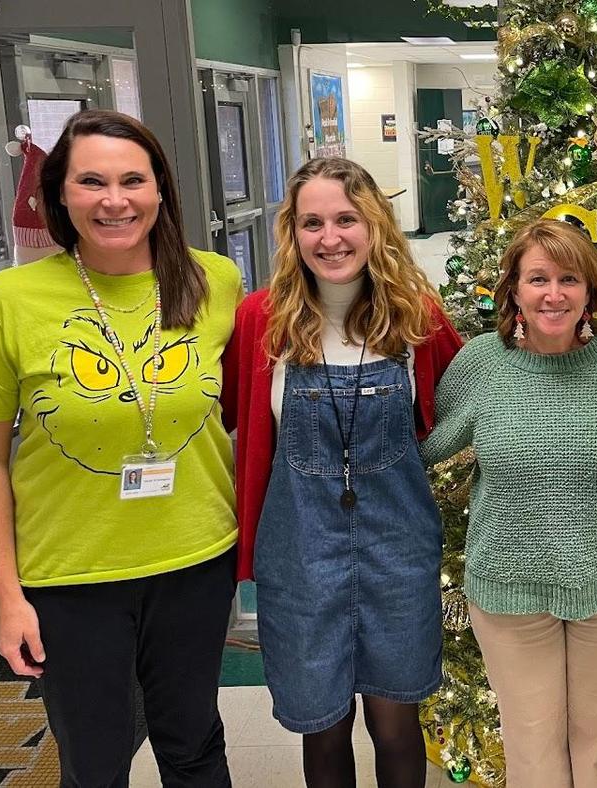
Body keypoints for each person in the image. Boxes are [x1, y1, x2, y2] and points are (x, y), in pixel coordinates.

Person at [0, 109, 242, 786]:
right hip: (72, 578)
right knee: (96, 762)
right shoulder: (8, 300)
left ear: (160, 189)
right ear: (61, 195)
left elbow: (244, 414)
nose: (115, 200)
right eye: (92, 182)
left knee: (194, 746)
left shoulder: (213, 282)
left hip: (195, 561)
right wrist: (7, 596)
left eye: (133, 180)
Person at [221, 156, 462, 788]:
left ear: (375, 224)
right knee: (321, 730)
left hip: (398, 557)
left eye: (347, 219)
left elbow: (465, 410)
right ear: (292, 233)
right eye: (313, 223)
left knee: (395, 725)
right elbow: (211, 413)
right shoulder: (260, 322)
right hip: (299, 560)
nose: (330, 238)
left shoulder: (416, 317)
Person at [421, 219, 597, 788]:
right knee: (533, 754)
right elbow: (424, 448)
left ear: (590, 291)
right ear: (512, 289)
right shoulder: (483, 363)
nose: (553, 294)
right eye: (537, 279)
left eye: (568, 279)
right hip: (509, 592)